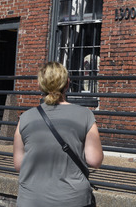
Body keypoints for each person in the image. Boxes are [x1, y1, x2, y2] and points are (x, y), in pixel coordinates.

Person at [13, 62, 103, 206]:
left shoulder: (25, 118)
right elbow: (94, 160)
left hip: (31, 199)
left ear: (40, 85)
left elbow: (19, 165)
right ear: (67, 83)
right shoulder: (85, 115)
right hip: (73, 199)